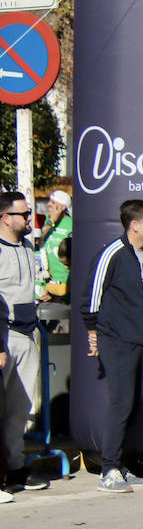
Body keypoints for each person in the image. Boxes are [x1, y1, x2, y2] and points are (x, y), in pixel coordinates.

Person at [80, 199, 143, 494]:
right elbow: (89, 300)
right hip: (116, 342)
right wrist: (93, 333)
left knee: (134, 406)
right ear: (135, 224)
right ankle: (108, 469)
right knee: (120, 404)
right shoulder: (111, 254)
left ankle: (122, 466)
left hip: (142, 344)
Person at [0, 192, 47, 494]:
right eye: (24, 214)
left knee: (21, 408)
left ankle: (15, 469)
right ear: (5, 217)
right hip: (4, 335)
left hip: (28, 333)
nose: (30, 218)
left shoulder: (29, 246)